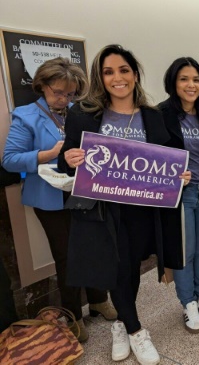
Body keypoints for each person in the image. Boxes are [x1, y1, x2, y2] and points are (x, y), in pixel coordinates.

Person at [58, 45, 189, 365]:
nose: (117, 78)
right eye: (108, 71)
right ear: (99, 78)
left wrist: (179, 175)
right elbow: (68, 159)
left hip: (142, 210)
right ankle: (135, 329)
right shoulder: (82, 114)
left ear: (135, 74)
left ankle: (119, 324)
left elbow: (169, 158)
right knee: (117, 265)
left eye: (124, 70)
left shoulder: (152, 116)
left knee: (129, 267)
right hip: (103, 210)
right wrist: (69, 158)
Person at [2, 57, 116, 343]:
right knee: (66, 257)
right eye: (58, 92)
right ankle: (74, 316)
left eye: (71, 93)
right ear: (42, 86)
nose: (65, 99)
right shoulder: (26, 115)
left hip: (84, 192)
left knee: (92, 247)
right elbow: (9, 160)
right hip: (50, 198)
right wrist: (49, 154)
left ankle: (99, 300)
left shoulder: (79, 111)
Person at [159, 58, 199, 334]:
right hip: (180, 194)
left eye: (195, 79)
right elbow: (153, 157)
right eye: (184, 79)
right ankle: (188, 303)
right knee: (186, 251)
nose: (190, 85)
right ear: (173, 82)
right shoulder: (161, 114)